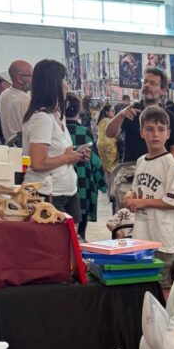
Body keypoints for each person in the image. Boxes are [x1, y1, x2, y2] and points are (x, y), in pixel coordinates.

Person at [123, 106, 174, 299]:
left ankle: (169, 318)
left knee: (165, 287)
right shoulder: (141, 161)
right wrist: (130, 195)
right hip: (143, 237)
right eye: (149, 129)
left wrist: (143, 203)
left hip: (164, 241)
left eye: (160, 129)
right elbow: (137, 189)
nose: (155, 134)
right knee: (147, 285)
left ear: (168, 133)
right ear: (142, 133)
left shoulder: (170, 164)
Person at [23, 59, 86, 221]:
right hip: (47, 194)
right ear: (53, 84)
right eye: (64, 80)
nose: (66, 86)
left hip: (67, 191)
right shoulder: (42, 118)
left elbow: (60, 153)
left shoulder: (57, 115)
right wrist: (67, 158)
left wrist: (76, 155)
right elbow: (37, 163)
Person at [104, 67, 174, 163]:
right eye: (145, 82)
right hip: (132, 168)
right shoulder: (130, 111)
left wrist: (164, 164)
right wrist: (120, 115)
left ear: (163, 91)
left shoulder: (169, 116)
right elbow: (109, 134)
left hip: (158, 169)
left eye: (153, 83)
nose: (147, 85)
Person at [64, 93, 107, 239]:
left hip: (62, 184)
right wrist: (103, 184)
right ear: (79, 110)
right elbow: (95, 161)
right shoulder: (85, 133)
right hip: (83, 183)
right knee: (80, 231)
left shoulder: (59, 132)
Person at [0, 60, 32, 147]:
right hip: (24, 149)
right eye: (30, 75)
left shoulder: (4, 94)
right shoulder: (26, 99)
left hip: (9, 147)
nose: (33, 79)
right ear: (19, 79)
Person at [96, 103, 117, 189]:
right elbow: (116, 132)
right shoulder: (110, 121)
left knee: (106, 169)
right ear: (107, 112)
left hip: (100, 145)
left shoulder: (100, 121)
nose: (114, 112)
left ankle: (109, 188)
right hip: (109, 145)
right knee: (112, 168)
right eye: (112, 111)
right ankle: (113, 189)